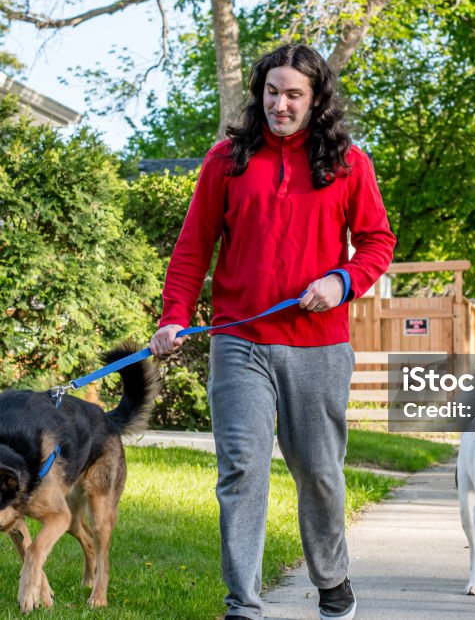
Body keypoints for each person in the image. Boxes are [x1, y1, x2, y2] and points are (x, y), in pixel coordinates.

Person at [149, 43, 395, 620]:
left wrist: (342, 280)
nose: (280, 104)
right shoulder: (226, 160)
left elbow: (378, 242)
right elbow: (193, 248)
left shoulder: (347, 163)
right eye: (271, 91)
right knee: (242, 470)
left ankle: (332, 578)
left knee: (319, 472)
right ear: (259, 93)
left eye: (293, 95)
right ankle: (244, 604)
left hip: (318, 345)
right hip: (241, 342)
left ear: (316, 100)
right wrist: (173, 315)